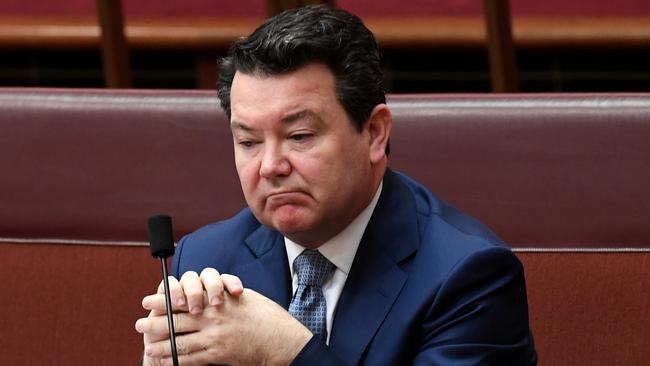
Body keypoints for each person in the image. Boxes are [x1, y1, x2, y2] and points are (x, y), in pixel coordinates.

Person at [135, 5, 537, 365]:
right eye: (249, 142)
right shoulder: (204, 260)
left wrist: (287, 350)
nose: (271, 166)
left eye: (300, 136)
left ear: (375, 133)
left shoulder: (467, 277)